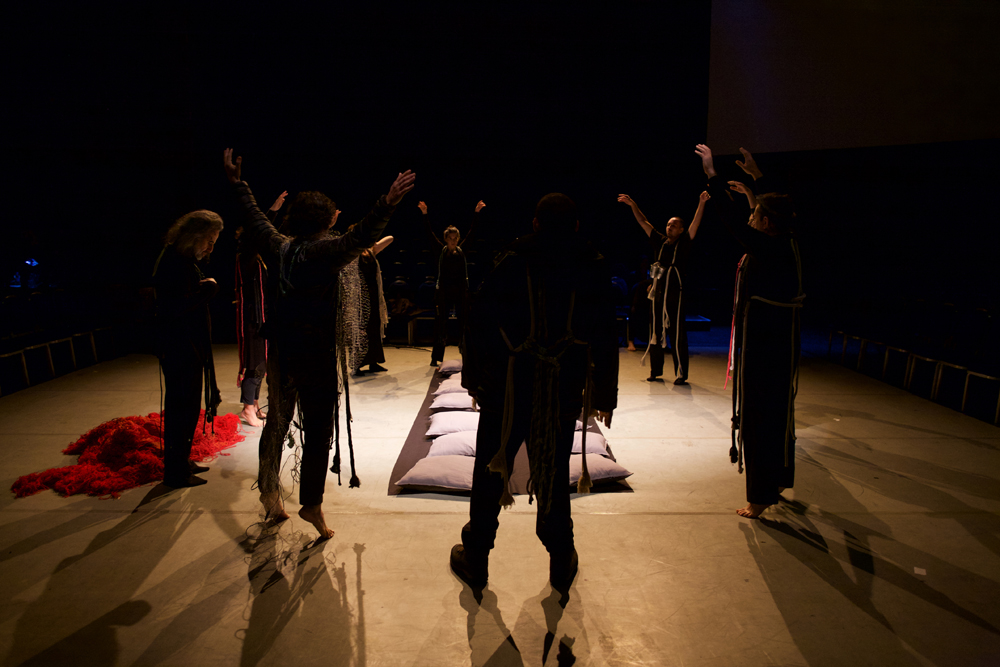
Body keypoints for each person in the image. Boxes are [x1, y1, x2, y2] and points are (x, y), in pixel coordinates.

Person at [224, 148, 415, 538]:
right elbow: (363, 234)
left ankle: (269, 492)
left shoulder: (280, 247)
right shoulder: (325, 252)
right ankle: (311, 503)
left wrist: (238, 183)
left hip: (283, 352)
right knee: (317, 431)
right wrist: (388, 202)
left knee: (276, 422)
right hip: (316, 356)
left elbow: (256, 217)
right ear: (329, 221)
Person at [450, 193, 619, 591]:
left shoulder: (512, 258)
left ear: (536, 223)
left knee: (491, 469)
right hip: (561, 387)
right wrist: (604, 396)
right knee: (553, 471)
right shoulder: (591, 264)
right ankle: (561, 557)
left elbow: (477, 321)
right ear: (576, 226)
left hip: (507, 387)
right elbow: (605, 334)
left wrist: (474, 379)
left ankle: (477, 556)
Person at [695, 144, 803, 519]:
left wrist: (713, 175)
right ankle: (777, 480)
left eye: (755, 213)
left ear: (767, 223)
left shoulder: (770, 248)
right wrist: (758, 178)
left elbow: (731, 220)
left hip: (766, 344)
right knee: (777, 413)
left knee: (761, 416)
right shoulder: (789, 240)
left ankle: (760, 496)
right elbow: (779, 206)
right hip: (779, 341)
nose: (751, 215)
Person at [151, 210, 224, 488]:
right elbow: (173, 307)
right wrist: (207, 291)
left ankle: (181, 461)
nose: (210, 248)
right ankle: (176, 471)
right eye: (209, 241)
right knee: (181, 407)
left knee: (188, 407)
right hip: (180, 346)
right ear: (194, 236)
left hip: (187, 345)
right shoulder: (174, 261)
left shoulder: (181, 259)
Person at [617, 191, 708, 384]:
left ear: (681, 229)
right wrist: (633, 205)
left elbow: (695, 224)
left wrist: (701, 203)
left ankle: (681, 373)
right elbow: (643, 222)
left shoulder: (684, 243)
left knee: (677, 332)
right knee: (655, 331)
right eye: (668, 224)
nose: (669, 227)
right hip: (658, 291)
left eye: (674, 225)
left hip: (675, 292)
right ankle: (655, 371)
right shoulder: (660, 241)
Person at [234, 190, 287, 427]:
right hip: (252, 318)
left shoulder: (259, 259)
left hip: (262, 317)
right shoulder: (246, 256)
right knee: (254, 364)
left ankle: (254, 404)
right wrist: (272, 212)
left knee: (262, 364)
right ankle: (248, 408)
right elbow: (258, 233)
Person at [418, 199, 485, 365]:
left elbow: (472, 232)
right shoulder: (440, 251)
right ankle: (436, 358)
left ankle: (467, 356)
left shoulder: (462, 251)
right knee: (441, 325)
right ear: (446, 239)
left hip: (461, 292)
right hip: (444, 293)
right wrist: (425, 214)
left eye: (455, 238)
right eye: (450, 238)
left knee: (464, 325)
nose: (453, 241)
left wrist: (477, 213)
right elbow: (429, 233)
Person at [355, 235, 394, 375]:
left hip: (373, 295)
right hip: (359, 297)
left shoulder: (371, 252)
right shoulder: (353, 254)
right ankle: (357, 365)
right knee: (361, 331)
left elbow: (390, 238)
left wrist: (373, 243)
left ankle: (373, 362)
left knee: (374, 328)